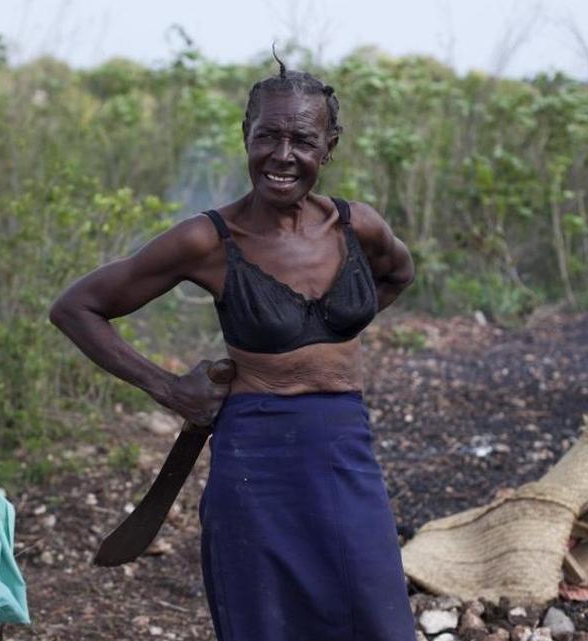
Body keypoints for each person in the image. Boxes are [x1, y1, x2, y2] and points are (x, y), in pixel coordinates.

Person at [49, 57, 417, 641]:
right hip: (257, 452)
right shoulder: (209, 241)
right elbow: (76, 308)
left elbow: (398, 273)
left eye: (303, 139)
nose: (282, 155)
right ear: (245, 138)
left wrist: (323, 335)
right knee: (265, 618)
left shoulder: (357, 227)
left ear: (330, 147)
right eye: (266, 135)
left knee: (376, 615)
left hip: (345, 445)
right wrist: (169, 389)